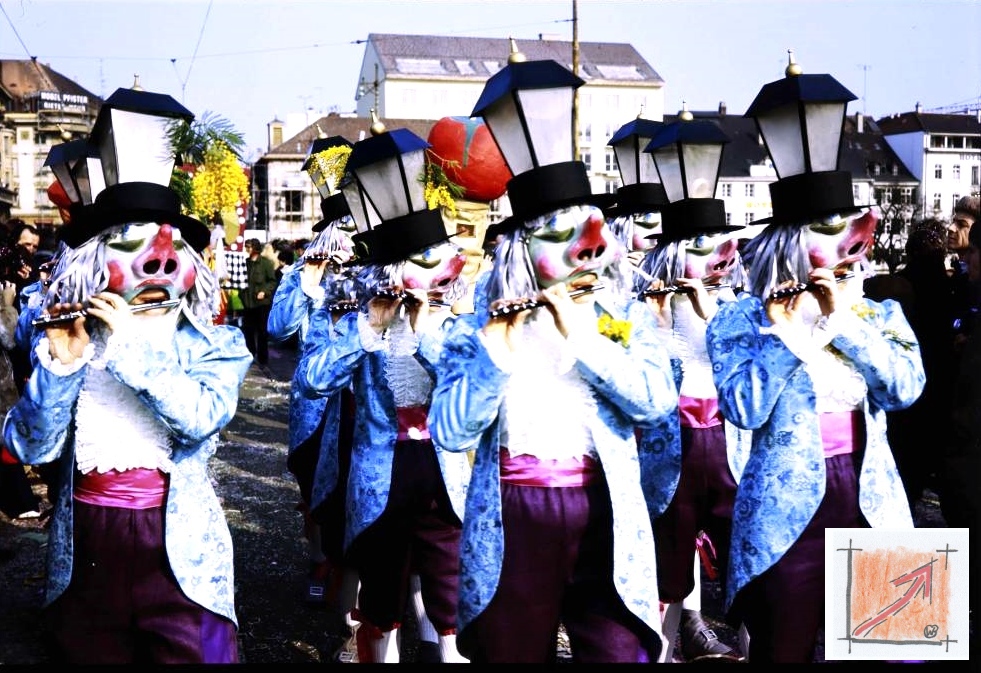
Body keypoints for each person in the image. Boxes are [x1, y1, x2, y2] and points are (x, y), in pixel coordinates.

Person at [1, 87, 253, 664]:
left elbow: (201, 419)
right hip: (89, 546)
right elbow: (31, 446)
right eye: (132, 244)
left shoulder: (215, 342)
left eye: (169, 247)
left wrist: (133, 348)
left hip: (179, 555)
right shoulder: (73, 336)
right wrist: (61, 363)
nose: (157, 261)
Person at [296, 124, 472, 664]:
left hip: (445, 473)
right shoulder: (361, 318)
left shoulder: (458, 322)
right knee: (382, 601)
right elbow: (313, 379)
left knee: (451, 603)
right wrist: (369, 328)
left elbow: (474, 387)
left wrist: (429, 329)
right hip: (381, 475)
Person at [636, 218, 750, 663]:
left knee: (756, 574)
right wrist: (659, 326)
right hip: (675, 449)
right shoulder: (647, 309)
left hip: (736, 450)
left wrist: (716, 315)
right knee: (669, 571)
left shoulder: (742, 308)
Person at [241, 237, 277, 374]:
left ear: (255, 248)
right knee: (248, 331)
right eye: (246, 247)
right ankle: (251, 355)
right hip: (248, 303)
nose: (247, 249)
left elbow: (272, 281)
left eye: (249, 247)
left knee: (262, 332)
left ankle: (263, 360)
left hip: (261, 304)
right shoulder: (245, 263)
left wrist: (265, 291)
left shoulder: (266, 264)